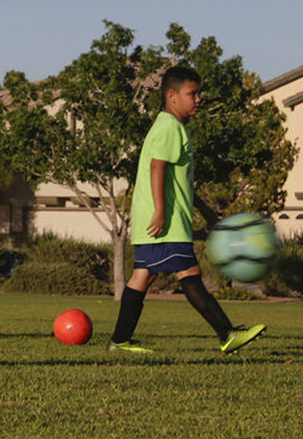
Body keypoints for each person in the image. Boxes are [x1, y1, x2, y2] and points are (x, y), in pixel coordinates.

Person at [109, 65, 266, 354]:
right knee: (189, 273)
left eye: (199, 93)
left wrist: (206, 211)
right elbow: (158, 168)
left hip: (160, 219)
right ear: (171, 96)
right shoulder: (169, 127)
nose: (198, 99)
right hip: (165, 222)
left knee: (142, 276)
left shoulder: (169, 126)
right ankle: (227, 333)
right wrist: (160, 211)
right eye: (192, 94)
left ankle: (120, 341)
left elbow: (176, 181)